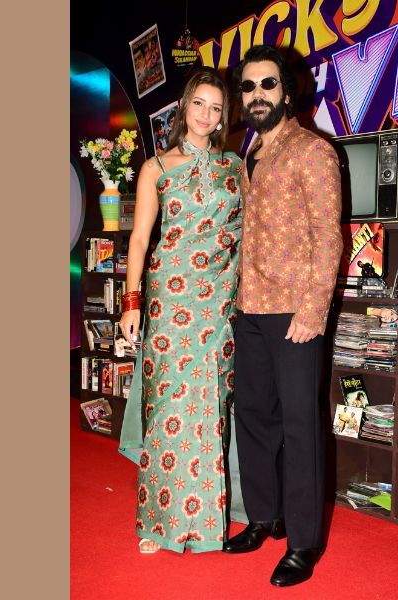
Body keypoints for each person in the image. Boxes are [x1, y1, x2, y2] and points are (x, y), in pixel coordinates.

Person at [221, 45, 343, 587]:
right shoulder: (248, 154)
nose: (257, 95)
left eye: (267, 84)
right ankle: (263, 517)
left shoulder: (311, 151)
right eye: (248, 87)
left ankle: (303, 542)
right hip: (249, 308)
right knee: (253, 416)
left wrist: (313, 310)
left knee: (299, 425)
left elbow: (329, 236)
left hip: (295, 311)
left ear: (287, 93)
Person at [118, 67, 243, 555]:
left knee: (211, 405)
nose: (206, 115)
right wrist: (131, 303)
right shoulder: (157, 167)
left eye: (216, 108)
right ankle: (158, 522)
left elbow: (249, 234)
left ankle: (210, 520)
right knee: (169, 404)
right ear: (184, 106)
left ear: (224, 116)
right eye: (199, 104)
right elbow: (139, 239)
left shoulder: (235, 167)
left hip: (220, 302)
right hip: (170, 301)